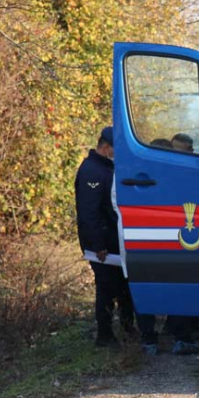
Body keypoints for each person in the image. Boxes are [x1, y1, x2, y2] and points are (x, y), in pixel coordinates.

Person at [75, 127, 133, 348]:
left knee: (122, 286)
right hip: (102, 245)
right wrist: (98, 245)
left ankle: (127, 329)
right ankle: (105, 335)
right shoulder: (92, 171)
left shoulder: (106, 168)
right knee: (107, 288)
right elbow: (89, 213)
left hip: (112, 241)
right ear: (106, 147)